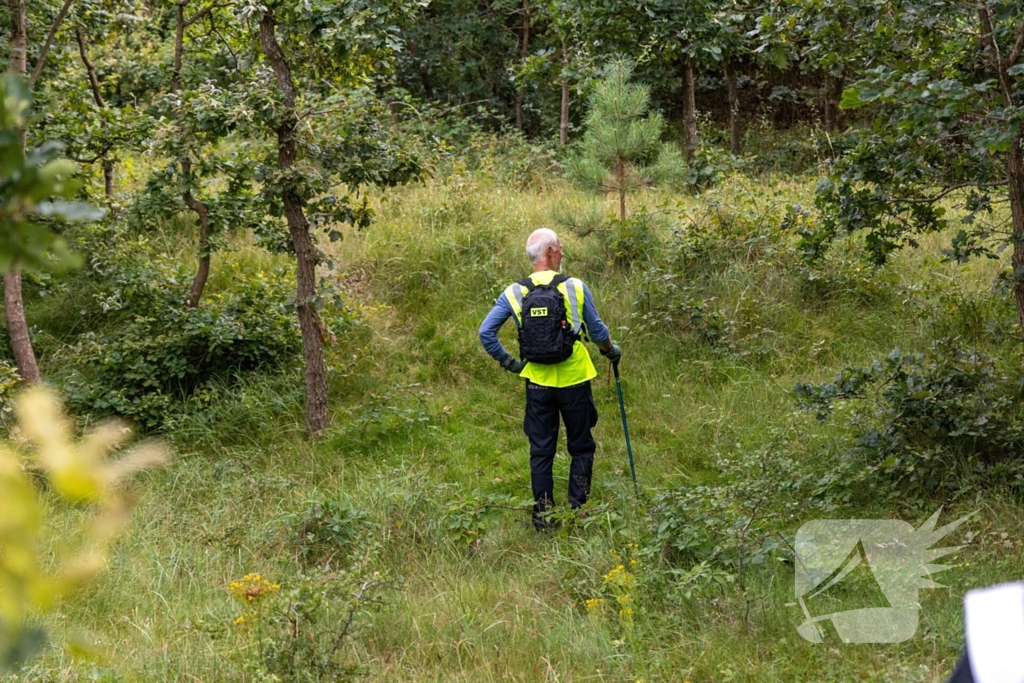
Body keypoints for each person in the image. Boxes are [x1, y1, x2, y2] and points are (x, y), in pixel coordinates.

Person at [478, 227, 621, 530]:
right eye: (560, 248)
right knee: (581, 446)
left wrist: (512, 364)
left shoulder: (515, 292)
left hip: (537, 382)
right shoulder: (576, 287)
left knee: (541, 450)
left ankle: (543, 518)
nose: (563, 253)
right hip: (575, 380)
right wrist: (610, 351)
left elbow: (485, 333)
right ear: (552, 251)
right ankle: (577, 512)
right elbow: (597, 332)